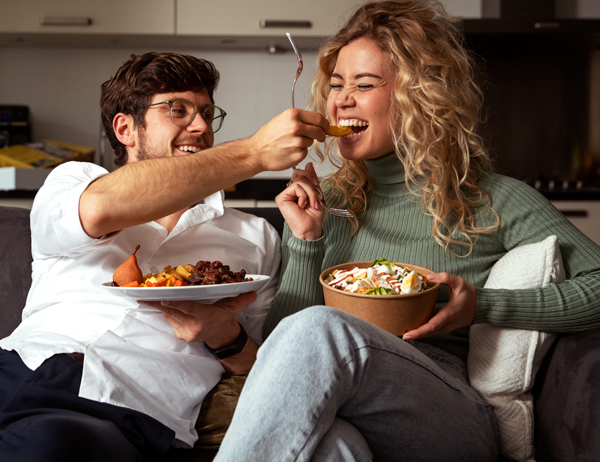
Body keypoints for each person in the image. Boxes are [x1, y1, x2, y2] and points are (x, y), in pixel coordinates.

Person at [212, 1, 600, 460]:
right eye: (336, 85)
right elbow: (284, 353)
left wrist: (482, 306)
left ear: (420, 95)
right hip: (346, 409)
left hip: (449, 412)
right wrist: (307, 241)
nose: (341, 99)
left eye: (364, 84)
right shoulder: (326, 201)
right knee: (334, 448)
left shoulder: (492, 199)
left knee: (320, 329)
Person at [0, 51, 329, 461]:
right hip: (20, 365)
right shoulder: (75, 182)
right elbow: (101, 209)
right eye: (179, 110)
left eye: (208, 113)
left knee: (49, 446)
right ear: (125, 128)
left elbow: (264, 365)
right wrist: (255, 153)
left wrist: (224, 335)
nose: (201, 126)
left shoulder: (254, 235)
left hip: (126, 409)